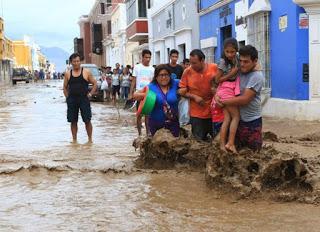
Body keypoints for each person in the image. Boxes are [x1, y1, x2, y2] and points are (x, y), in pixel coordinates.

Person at [216, 45, 264, 151]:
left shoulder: (256, 76)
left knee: (253, 155)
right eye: (241, 61)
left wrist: (224, 101)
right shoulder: (238, 71)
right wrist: (216, 96)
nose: (242, 64)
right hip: (237, 120)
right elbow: (222, 83)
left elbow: (245, 99)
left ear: (255, 61)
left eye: (246, 62)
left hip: (251, 121)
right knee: (236, 153)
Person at [178, 49, 218, 141]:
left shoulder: (214, 68)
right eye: (191, 63)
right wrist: (194, 97)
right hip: (197, 114)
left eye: (194, 63)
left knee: (216, 141)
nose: (192, 66)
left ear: (202, 60)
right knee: (198, 142)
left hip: (214, 111)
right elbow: (181, 91)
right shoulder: (187, 72)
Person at [134, 64, 179, 137]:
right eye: (161, 75)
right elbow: (135, 95)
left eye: (166, 75)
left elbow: (188, 85)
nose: (164, 77)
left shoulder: (175, 83)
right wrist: (145, 96)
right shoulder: (151, 87)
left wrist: (181, 91)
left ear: (170, 75)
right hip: (156, 125)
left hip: (173, 124)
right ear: (156, 77)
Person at [63, 53, 97, 143]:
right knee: (73, 121)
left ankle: (90, 140)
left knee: (87, 120)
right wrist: (68, 98)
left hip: (84, 99)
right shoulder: (67, 74)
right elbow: (64, 87)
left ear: (80, 62)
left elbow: (95, 84)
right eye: (74, 61)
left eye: (78, 61)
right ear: (71, 62)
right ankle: (74, 140)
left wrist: (90, 94)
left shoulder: (86, 72)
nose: (76, 63)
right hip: (72, 100)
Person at [216, 38, 241, 153]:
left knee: (227, 119)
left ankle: (222, 145)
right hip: (226, 90)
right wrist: (232, 73)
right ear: (224, 51)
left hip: (227, 90)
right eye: (227, 52)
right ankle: (230, 143)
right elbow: (217, 80)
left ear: (236, 50)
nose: (230, 54)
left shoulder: (237, 59)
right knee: (236, 117)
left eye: (232, 52)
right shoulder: (223, 62)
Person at [129, 49, 155, 136]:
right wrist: (130, 93)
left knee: (148, 115)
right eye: (146, 57)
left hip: (149, 94)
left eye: (149, 57)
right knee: (139, 114)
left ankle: (148, 133)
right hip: (139, 93)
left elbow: (153, 83)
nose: (148, 59)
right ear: (142, 57)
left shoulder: (152, 69)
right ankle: (139, 134)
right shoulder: (137, 67)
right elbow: (133, 81)